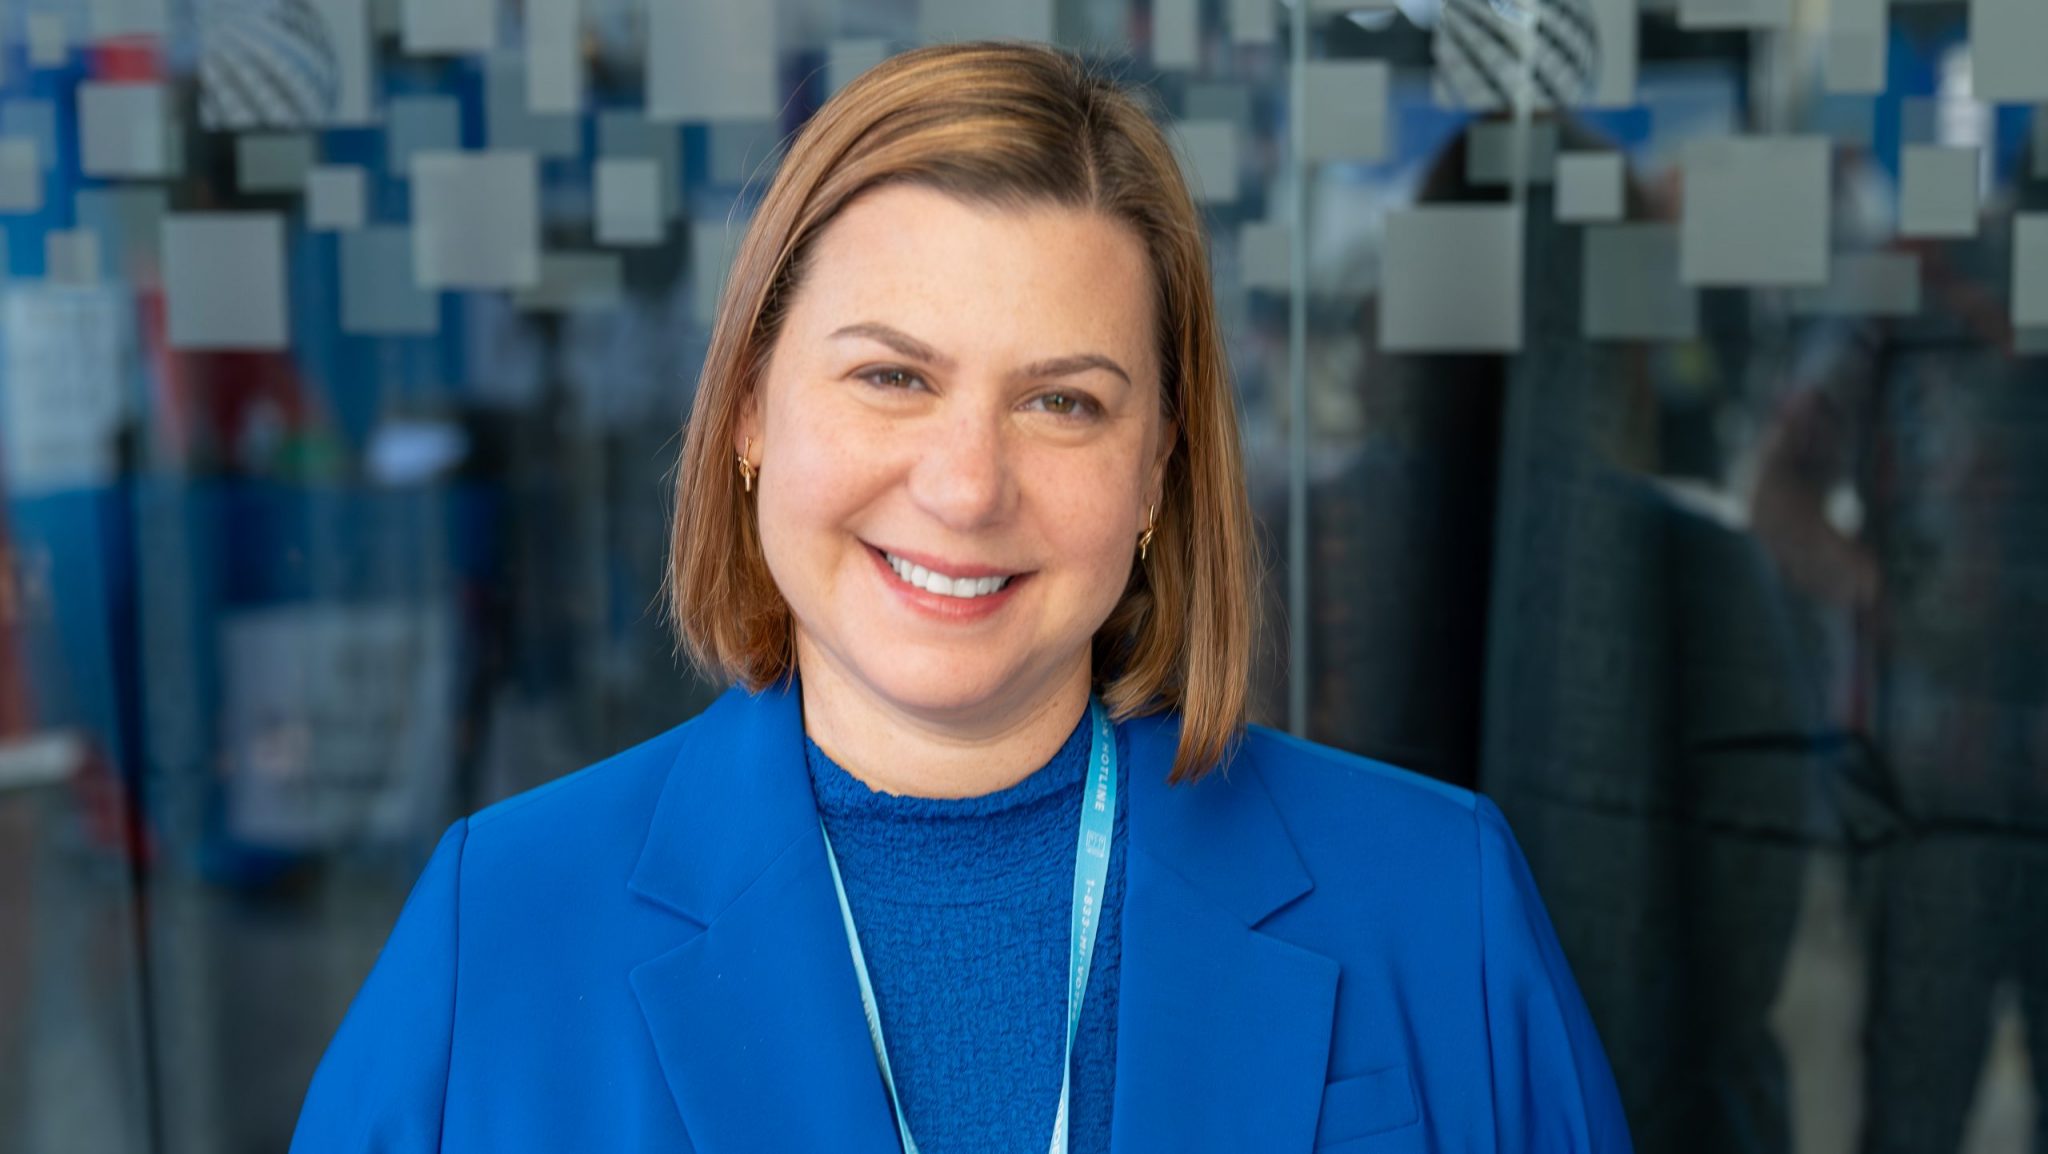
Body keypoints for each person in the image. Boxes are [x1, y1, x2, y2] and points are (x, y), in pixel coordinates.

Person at [289, 41, 1630, 1153]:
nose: (968, 484)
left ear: (1159, 467)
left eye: (1064, 401)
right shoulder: (502, 931)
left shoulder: (1433, 902)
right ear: (753, 407)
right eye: (892, 377)